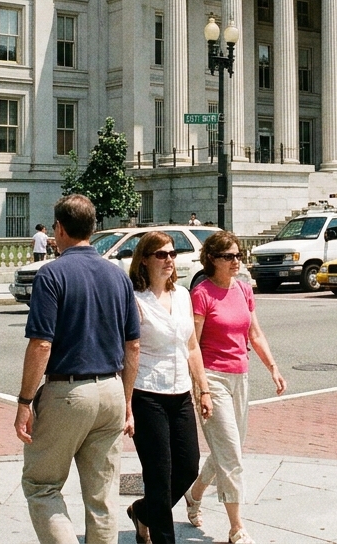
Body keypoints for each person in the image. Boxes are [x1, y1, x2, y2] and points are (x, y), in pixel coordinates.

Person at [15, 194, 140, 544]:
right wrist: (127, 400)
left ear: (58, 228)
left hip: (68, 391)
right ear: (93, 227)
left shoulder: (52, 274)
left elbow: (41, 344)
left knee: (42, 486)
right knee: (102, 496)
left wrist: (25, 401)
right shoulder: (118, 276)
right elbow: (134, 345)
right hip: (112, 389)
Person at [184, 231, 285, 544]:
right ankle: (236, 527)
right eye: (229, 256)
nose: (236, 261)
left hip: (240, 376)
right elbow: (193, 345)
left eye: (239, 255)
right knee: (231, 455)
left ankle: (194, 493)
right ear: (213, 259)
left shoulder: (243, 289)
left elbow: (255, 333)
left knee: (229, 449)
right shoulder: (201, 293)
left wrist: (273, 368)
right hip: (211, 378)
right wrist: (200, 388)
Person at [126, 232, 213, 544]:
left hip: (180, 393)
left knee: (188, 467)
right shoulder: (136, 299)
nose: (169, 260)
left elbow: (191, 346)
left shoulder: (182, 296)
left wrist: (202, 389)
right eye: (161, 254)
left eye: (172, 253)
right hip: (147, 394)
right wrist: (126, 405)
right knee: (158, 477)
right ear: (145, 259)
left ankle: (143, 512)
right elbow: (129, 351)